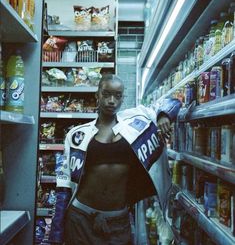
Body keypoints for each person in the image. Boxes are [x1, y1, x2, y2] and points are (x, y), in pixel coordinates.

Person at [49, 74, 181, 245]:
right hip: (81, 218)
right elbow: (64, 184)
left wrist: (164, 115)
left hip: (118, 221)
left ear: (122, 98)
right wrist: (56, 233)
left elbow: (174, 102)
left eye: (117, 96)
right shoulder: (77, 135)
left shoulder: (137, 121)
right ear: (97, 95)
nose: (111, 100)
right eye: (106, 94)